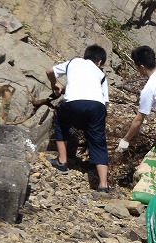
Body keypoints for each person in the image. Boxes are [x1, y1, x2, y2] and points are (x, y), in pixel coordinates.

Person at [46, 44, 110, 192]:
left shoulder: (73, 62)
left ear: (86, 55)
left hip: (73, 103)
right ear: (99, 62)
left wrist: (55, 84)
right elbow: (105, 102)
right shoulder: (101, 75)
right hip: (97, 106)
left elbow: (49, 71)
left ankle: (62, 162)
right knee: (98, 140)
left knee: (61, 123)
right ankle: (103, 185)